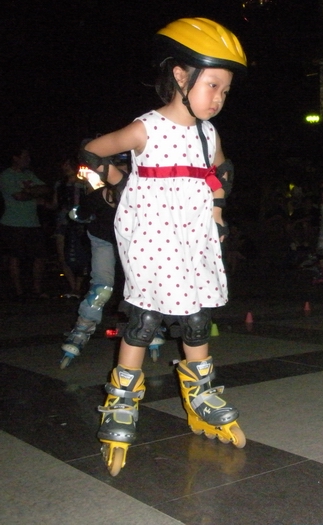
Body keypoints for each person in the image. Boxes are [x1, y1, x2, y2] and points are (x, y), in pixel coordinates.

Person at [79, 17, 247, 475]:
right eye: (212, 85)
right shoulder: (147, 128)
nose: (218, 98)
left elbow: (220, 172)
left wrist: (217, 212)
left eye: (225, 90)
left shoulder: (208, 133)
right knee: (146, 317)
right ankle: (121, 400)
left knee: (197, 316)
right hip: (152, 234)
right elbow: (92, 151)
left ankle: (202, 395)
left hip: (193, 235)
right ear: (180, 76)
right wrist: (117, 184)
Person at [59, 154, 135, 368]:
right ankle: (82, 329)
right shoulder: (98, 195)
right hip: (104, 240)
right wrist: (79, 213)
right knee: (102, 288)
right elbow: (80, 214)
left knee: (141, 285)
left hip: (132, 241)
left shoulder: (142, 193)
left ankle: (148, 324)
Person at [0, 145, 53, 300]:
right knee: (15, 257)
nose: (28, 160)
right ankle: (19, 292)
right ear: (15, 158)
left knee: (40, 256)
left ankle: (37, 289)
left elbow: (45, 188)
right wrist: (33, 194)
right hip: (13, 222)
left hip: (33, 222)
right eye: (25, 157)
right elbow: (18, 196)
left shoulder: (29, 174)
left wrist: (28, 192)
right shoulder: (6, 176)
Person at [52, 158, 90, 298]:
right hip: (63, 221)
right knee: (62, 255)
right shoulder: (60, 184)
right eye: (64, 164)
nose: (66, 167)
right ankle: (72, 286)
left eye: (69, 164)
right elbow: (55, 204)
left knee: (82, 255)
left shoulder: (84, 183)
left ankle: (78, 288)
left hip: (81, 221)